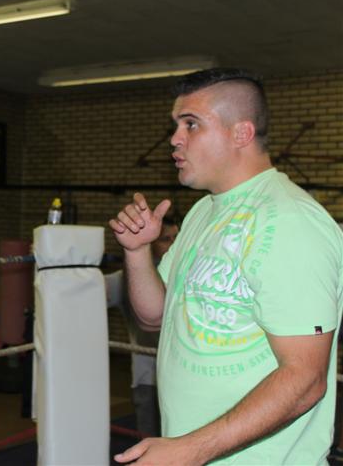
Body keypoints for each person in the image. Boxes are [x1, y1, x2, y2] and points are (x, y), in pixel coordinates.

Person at [109, 68, 343, 465]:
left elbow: (305, 379)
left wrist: (189, 450)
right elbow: (155, 317)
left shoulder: (291, 222)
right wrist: (137, 251)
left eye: (191, 124)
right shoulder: (204, 212)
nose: (175, 138)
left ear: (241, 133)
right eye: (175, 125)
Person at [105, 217, 179, 436]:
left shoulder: (188, 275)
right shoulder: (128, 280)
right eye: (165, 239)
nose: (173, 244)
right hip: (149, 378)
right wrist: (52, 265)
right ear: (151, 243)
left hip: (184, 376)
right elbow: (83, 290)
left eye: (177, 238)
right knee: (150, 443)